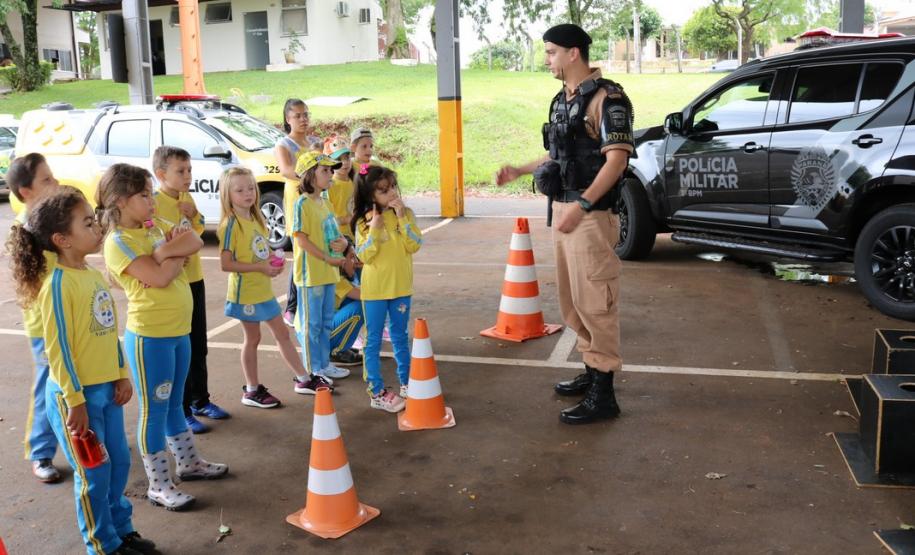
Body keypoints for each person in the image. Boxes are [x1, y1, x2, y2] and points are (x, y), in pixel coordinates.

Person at [495, 23, 634, 425]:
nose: (547, 59)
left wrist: (584, 204)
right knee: (573, 303)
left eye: (552, 51)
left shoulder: (609, 99)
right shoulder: (561, 101)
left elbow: (617, 161)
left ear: (574, 53)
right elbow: (556, 155)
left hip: (589, 216)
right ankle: (592, 373)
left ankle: (604, 393)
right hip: (565, 212)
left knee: (596, 302)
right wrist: (519, 170)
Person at [8, 187, 158, 555]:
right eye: (88, 223)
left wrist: (121, 374)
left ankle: (122, 530)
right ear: (62, 240)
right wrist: (74, 401)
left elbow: (108, 331)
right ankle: (102, 544)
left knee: (118, 463)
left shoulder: (90, 274)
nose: (98, 228)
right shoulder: (57, 285)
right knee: (93, 474)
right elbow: (56, 351)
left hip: (107, 389)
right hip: (76, 399)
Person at [98, 164, 227, 511]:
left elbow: (196, 240)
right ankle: (159, 483)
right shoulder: (119, 241)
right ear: (121, 201)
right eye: (144, 195)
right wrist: (172, 255)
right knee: (154, 411)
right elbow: (157, 279)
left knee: (174, 405)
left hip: (178, 332)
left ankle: (189, 464)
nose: (152, 200)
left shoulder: (152, 227)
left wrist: (164, 254)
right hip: (150, 338)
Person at [217, 167, 334, 409]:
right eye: (239, 190)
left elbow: (260, 249)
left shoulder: (256, 217)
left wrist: (272, 260)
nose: (247, 193)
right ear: (227, 194)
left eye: (251, 188)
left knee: (282, 334)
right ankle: (251, 390)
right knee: (253, 338)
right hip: (245, 294)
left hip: (262, 290)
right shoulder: (230, 225)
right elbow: (226, 264)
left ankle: (303, 379)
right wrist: (260, 267)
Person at [152, 146, 229, 434]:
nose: (187, 176)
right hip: (175, 283)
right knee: (181, 348)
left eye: (189, 170)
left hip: (194, 279)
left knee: (199, 345)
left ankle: (201, 400)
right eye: (180, 171)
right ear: (161, 174)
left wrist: (194, 213)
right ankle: (182, 410)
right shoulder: (154, 204)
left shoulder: (186, 199)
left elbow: (196, 233)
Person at [6, 153, 62, 483]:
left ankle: (82, 441)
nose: (54, 183)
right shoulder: (26, 231)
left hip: (71, 320)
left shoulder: (54, 221)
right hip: (44, 326)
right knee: (47, 387)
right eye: (46, 179)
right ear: (25, 191)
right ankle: (40, 452)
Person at [352, 165, 423, 412]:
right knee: (372, 342)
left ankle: (407, 383)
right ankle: (377, 391)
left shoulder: (407, 214)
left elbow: (414, 245)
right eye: (383, 190)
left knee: (400, 337)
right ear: (371, 195)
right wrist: (374, 229)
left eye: (393, 186)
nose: (391, 192)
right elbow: (364, 256)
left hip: (401, 288)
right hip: (374, 292)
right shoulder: (364, 222)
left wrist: (402, 217)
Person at [291, 151, 351, 381]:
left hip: (328, 272)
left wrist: (344, 244)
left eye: (330, 170)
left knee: (325, 322)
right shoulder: (302, 204)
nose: (330, 174)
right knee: (311, 325)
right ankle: (311, 371)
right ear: (309, 175)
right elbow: (301, 240)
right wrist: (327, 259)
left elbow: (333, 234)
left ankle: (324, 364)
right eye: (325, 170)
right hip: (310, 275)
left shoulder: (325, 202)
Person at [324, 134, 364, 367]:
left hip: (347, 240)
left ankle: (343, 344)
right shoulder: (329, 191)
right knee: (358, 294)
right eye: (338, 160)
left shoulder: (353, 181)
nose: (345, 162)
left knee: (357, 283)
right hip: (340, 240)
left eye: (347, 157)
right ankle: (334, 347)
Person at [275, 98, 311, 327]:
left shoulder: (315, 142)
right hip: (297, 198)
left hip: (316, 199)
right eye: (297, 115)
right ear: (288, 120)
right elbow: (287, 171)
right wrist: (311, 172)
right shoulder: (284, 145)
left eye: (306, 114)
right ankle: (291, 308)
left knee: (313, 251)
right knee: (300, 252)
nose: (303, 119)